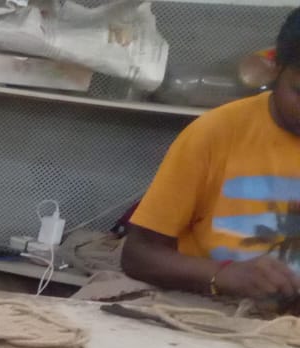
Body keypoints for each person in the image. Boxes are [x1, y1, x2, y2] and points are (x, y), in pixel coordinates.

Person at [122, 8, 300, 310]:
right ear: (275, 69)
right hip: (213, 306)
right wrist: (225, 275)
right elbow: (138, 254)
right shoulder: (217, 132)